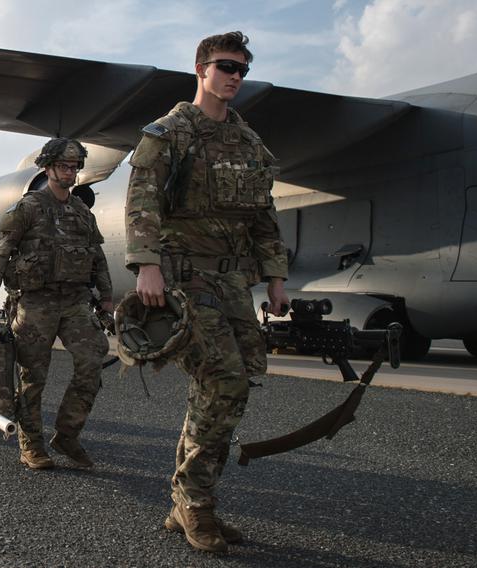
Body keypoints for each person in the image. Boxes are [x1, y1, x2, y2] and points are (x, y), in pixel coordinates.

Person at [124, 31, 289, 553]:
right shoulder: (170, 133)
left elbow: (264, 214)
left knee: (228, 389)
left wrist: (276, 275)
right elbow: (142, 200)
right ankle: (194, 504)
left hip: (234, 283)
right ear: (201, 69)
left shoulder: (250, 143)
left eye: (242, 68)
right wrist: (146, 266)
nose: (234, 76)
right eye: (225, 66)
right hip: (187, 279)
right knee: (225, 383)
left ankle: (190, 503)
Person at [0, 138, 112, 470]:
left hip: (74, 302)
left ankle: (67, 434)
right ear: (48, 167)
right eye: (64, 167)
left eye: (74, 167)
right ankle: (32, 445)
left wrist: (107, 298)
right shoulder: (28, 207)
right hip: (36, 303)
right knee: (33, 376)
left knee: (93, 357)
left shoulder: (82, 211)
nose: (70, 173)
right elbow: (3, 250)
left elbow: (97, 258)